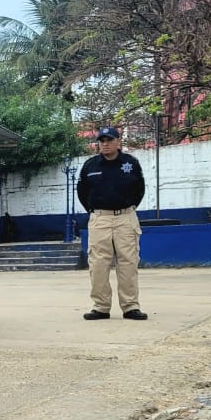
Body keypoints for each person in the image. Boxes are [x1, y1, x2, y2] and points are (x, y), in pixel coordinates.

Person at [76, 126, 148, 321]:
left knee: (128, 262)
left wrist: (127, 208)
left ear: (118, 142)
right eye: (102, 141)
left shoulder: (130, 163)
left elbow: (139, 190)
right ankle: (101, 307)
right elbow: (82, 192)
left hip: (126, 217)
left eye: (109, 140)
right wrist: (96, 211)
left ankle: (130, 306)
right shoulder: (90, 166)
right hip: (100, 218)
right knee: (98, 264)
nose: (105, 144)